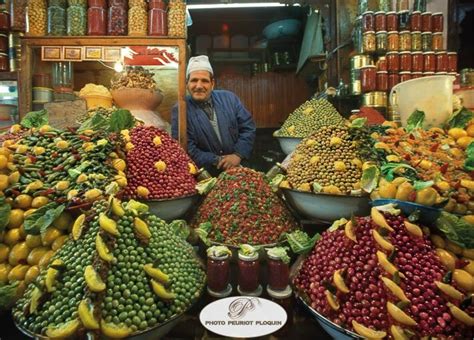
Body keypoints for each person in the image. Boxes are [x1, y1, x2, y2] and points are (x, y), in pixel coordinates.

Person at [171, 55, 256, 175]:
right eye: (194, 80)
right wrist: (219, 160)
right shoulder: (180, 110)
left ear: (212, 83)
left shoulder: (230, 99)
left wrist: (238, 154)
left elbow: (248, 127)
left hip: (238, 170)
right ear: (187, 84)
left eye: (204, 81)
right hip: (205, 175)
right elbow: (186, 147)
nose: (199, 86)